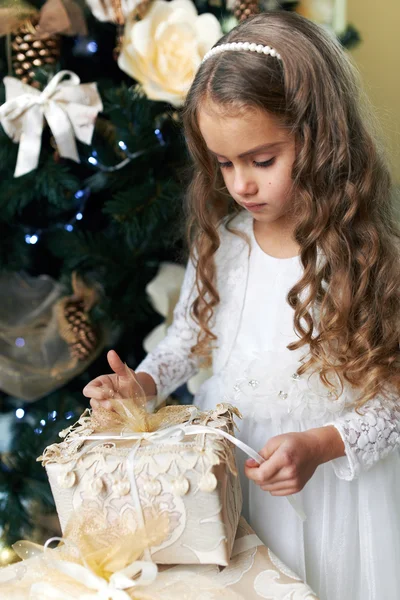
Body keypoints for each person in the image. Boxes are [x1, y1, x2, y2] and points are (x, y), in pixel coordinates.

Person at [83, 11, 400, 600]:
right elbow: (186, 340)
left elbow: (393, 402)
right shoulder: (223, 245)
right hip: (228, 473)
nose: (241, 186)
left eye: (261, 160)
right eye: (223, 164)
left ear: (321, 137)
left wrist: (321, 445)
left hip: (330, 484)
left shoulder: (366, 260)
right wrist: (144, 384)